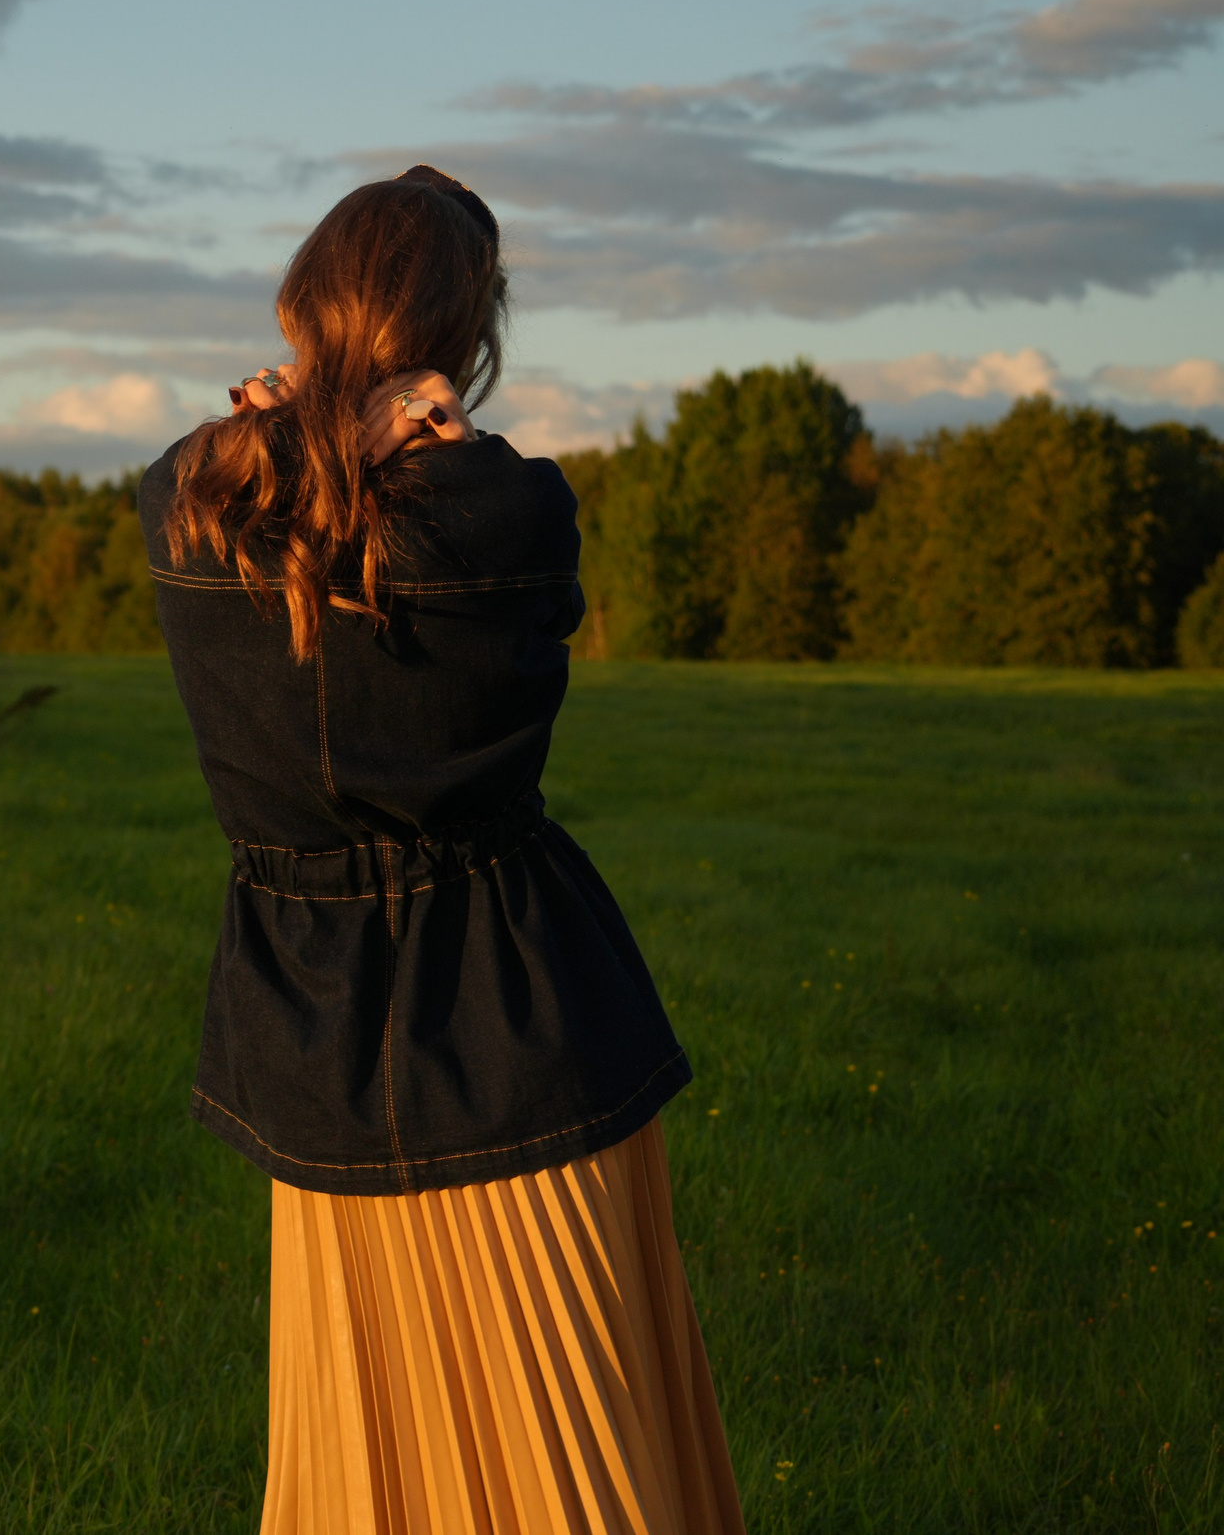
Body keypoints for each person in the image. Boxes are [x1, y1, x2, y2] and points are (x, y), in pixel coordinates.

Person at [139, 166, 746, 1534]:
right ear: (466, 331)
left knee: (375, 1460)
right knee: (581, 1461)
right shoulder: (505, 508)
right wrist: (405, 428)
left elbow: (223, 482)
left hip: (313, 1036)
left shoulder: (190, 496)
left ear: (307, 302)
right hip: (514, 1028)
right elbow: (481, 552)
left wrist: (303, 417)